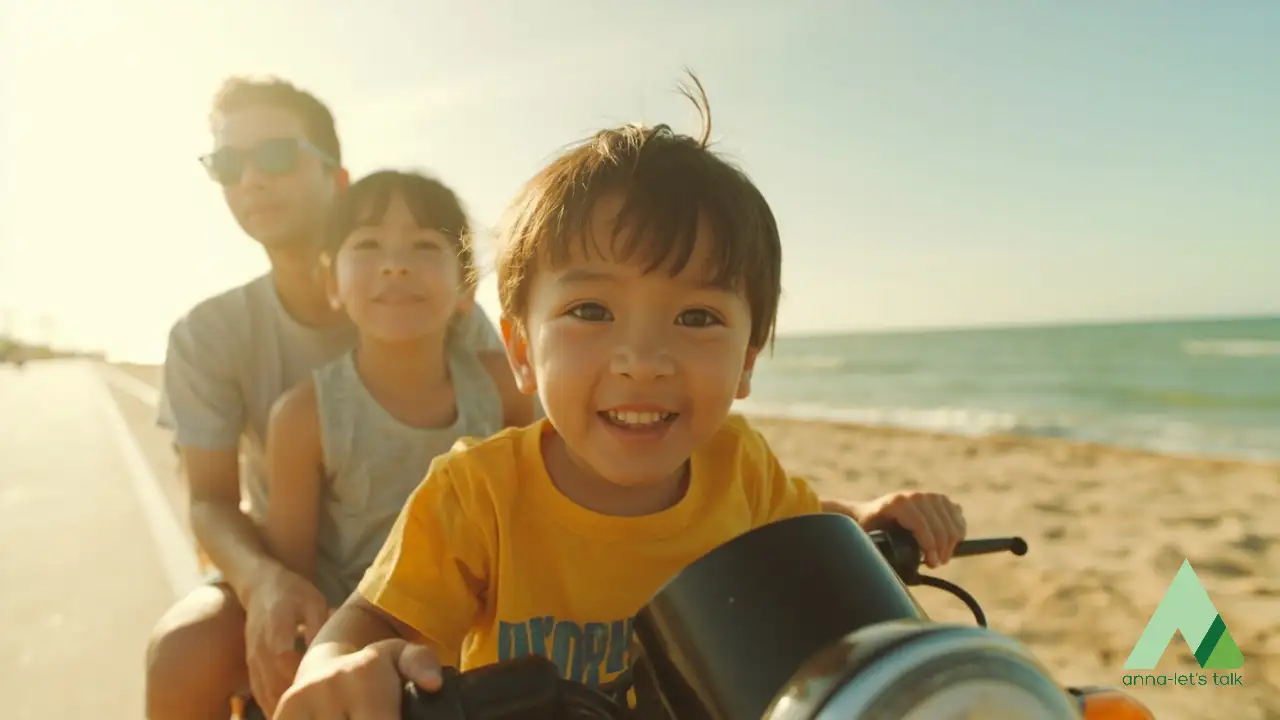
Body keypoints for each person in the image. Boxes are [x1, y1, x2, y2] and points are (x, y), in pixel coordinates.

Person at [273, 75, 966, 718]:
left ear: (748, 362)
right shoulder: (477, 495)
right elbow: (370, 621)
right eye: (591, 311)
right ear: (521, 350)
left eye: (697, 317)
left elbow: (802, 525)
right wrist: (337, 667)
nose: (642, 361)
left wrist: (864, 518)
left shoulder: (740, 465)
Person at [143, 78, 509, 720]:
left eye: (276, 155)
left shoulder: (442, 314)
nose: (252, 179)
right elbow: (209, 501)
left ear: (335, 177)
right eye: (229, 163)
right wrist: (265, 582)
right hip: (299, 569)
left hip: (462, 577)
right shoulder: (210, 335)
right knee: (183, 648)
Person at [256, 168, 535, 714]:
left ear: (466, 287)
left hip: (488, 652)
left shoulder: (505, 385)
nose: (396, 264)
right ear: (331, 282)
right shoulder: (302, 416)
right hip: (365, 660)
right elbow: (296, 580)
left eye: (425, 245)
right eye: (368, 244)